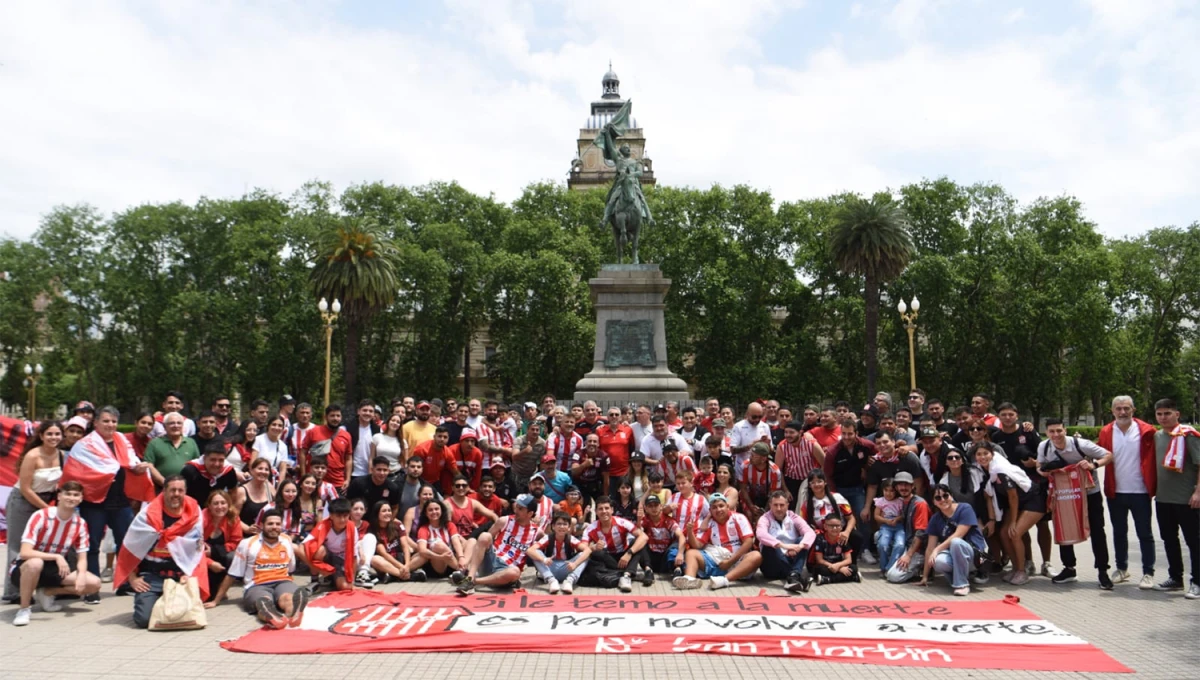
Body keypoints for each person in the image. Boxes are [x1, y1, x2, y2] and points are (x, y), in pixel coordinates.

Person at [61, 405, 155, 602]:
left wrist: (138, 468)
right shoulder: (84, 445)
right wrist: (101, 475)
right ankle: (91, 587)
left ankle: (125, 583)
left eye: (113, 421)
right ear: (95, 423)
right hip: (93, 502)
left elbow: (129, 463)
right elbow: (75, 474)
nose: (110, 425)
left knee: (128, 543)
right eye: (105, 421)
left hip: (120, 501)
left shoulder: (121, 439)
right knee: (92, 545)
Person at [114, 477, 207, 629]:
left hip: (180, 576)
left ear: (185, 492)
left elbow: (196, 552)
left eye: (180, 490)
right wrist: (133, 578)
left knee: (187, 616)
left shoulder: (194, 514)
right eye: (172, 490)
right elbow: (129, 549)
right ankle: (156, 600)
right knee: (143, 620)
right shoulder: (146, 516)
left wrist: (189, 574)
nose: (176, 494)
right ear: (164, 491)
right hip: (152, 576)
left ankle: (165, 600)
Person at [9, 481, 101, 627]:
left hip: (56, 569)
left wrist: (82, 576)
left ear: (81, 498)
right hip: (24, 567)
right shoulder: (41, 516)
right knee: (35, 563)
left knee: (94, 584)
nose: (72, 498)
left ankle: (48, 592)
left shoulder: (80, 523)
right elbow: (25, 552)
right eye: (68, 494)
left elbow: (82, 557)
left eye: (76, 495)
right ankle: (24, 609)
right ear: (59, 496)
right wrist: (57, 556)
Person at [1036, 419, 1113, 589]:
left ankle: (1102, 571)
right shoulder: (1044, 447)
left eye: (1059, 431)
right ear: (1046, 432)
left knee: (1097, 530)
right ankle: (1069, 568)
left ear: (1065, 430)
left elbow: (1108, 455)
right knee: (1064, 528)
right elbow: (1039, 466)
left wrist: (1093, 464)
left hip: (1088, 493)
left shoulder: (1081, 444)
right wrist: (1043, 470)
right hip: (1064, 494)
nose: (1055, 435)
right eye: (1051, 431)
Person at [1099, 395, 1159, 589]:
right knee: (1119, 532)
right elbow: (1097, 454)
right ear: (1112, 411)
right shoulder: (1106, 431)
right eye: (1118, 409)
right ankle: (1122, 568)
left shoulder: (1147, 431)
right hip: (1116, 491)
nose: (1122, 412)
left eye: (1126, 408)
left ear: (1133, 409)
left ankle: (1148, 573)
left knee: (1145, 533)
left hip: (1140, 491)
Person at [210, 509, 308, 628]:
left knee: (288, 598)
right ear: (261, 525)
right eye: (270, 524)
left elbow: (291, 569)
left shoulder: (286, 540)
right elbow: (232, 574)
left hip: (283, 580)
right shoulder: (247, 543)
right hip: (256, 585)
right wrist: (216, 600)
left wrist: (289, 585)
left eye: (277, 524)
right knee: (264, 601)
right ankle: (272, 616)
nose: (274, 527)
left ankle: (293, 614)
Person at [4, 421, 64, 603]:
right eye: (49, 434)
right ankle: (14, 592)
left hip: (46, 500)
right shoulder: (32, 455)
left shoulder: (61, 455)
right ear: (41, 436)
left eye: (57, 434)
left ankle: (43, 585)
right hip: (22, 502)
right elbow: (25, 489)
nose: (54, 438)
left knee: (42, 545)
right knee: (18, 547)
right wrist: (46, 510)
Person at [1151, 398, 1200, 597]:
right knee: (1169, 539)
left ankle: (1197, 581)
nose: (1163, 417)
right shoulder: (1157, 436)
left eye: (1167, 413)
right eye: (1159, 414)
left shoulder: (1189, 436)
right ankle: (1175, 578)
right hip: (1163, 499)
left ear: (1177, 414)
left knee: (1194, 542)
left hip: (1187, 499)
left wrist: (1198, 492)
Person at [450, 493, 540, 595]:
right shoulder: (504, 520)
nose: (516, 510)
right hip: (491, 560)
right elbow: (484, 542)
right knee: (484, 536)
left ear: (530, 513)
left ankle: (473, 581)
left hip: (506, 570)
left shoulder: (536, 531)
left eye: (521, 509)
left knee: (515, 572)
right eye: (517, 507)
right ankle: (470, 577)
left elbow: (550, 539)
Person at [976, 441, 1039, 585]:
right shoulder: (985, 472)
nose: (982, 457)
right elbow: (989, 497)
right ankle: (1016, 569)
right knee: (1004, 533)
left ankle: (1022, 571)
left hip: (1033, 499)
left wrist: (1013, 521)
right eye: (979, 454)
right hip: (1018, 503)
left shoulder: (1000, 470)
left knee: (1014, 532)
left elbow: (1013, 496)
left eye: (986, 453)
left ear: (992, 454)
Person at [673, 493, 762, 590]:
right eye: (714, 507)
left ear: (727, 506)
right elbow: (697, 546)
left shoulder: (739, 518)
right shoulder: (708, 523)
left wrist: (730, 562)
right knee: (691, 553)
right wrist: (690, 532)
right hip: (718, 559)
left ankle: (724, 580)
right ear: (710, 511)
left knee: (756, 556)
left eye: (721, 506)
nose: (718, 510)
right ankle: (689, 579)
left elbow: (748, 542)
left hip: (737, 559)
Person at [917, 483, 990, 596]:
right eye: (938, 498)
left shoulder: (965, 508)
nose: (943, 500)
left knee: (956, 542)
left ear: (951, 496)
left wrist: (937, 550)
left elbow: (958, 535)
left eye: (945, 495)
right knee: (937, 561)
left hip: (974, 556)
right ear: (934, 502)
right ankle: (957, 578)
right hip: (953, 554)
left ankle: (961, 584)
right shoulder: (935, 519)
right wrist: (925, 577)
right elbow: (930, 548)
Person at [581, 495, 649, 592]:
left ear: (612, 510)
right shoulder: (590, 528)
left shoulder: (622, 522)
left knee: (637, 543)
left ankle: (626, 576)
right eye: (600, 509)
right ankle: (628, 573)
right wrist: (593, 547)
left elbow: (644, 536)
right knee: (596, 553)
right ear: (595, 512)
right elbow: (582, 547)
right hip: (607, 558)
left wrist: (628, 553)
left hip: (624, 556)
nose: (604, 511)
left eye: (607, 508)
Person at [755, 490, 815, 592]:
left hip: (790, 557)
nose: (779, 508)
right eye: (775, 505)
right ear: (770, 505)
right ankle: (795, 575)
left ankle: (793, 576)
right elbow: (761, 534)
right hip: (771, 566)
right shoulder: (765, 518)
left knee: (803, 540)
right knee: (769, 545)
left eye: (782, 505)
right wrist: (784, 546)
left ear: (787, 505)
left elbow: (810, 532)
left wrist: (799, 546)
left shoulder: (793, 517)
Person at [301, 498, 359, 591]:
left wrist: (352, 581)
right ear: (331, 516)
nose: (343, 519)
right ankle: (315, 581)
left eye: (345, 516)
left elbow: (354, 557)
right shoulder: (322, 525)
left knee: (345, 587)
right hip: (327, 558)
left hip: (342, 561)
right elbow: (303, 546)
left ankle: (332, 577)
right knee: (318, 550)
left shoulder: (352, 528)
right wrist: (316, 567)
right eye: (339, 516)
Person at [527, 512, 592, 593]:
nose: (562, 527)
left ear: (569, 527)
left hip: (567, 568)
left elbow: (588, 550)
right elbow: (530, 550)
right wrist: (544, 559)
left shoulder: (570, 538)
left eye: (565, 524)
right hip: (550, 567)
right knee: (535, 553)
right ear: (553, 526)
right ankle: (551, 581)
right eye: (559, 524)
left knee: (585, 555)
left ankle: (569, 581)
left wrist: (575, 564)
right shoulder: (547, 538)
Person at [883, 472, 930, 583]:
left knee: (893, 576)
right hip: (906, 543)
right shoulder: (902, 502)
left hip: (919, 549)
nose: (903, 488)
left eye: (907, 484)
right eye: (900, 484)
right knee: (879, 536)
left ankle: (921, 567)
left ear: (912, 486)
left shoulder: (920, 504)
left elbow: (921, 532)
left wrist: (908, 555)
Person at [823, 419, 874, 520]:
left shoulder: (866, 445)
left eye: (850, 434)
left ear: (856, 433)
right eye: (844, 434)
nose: (846, 437)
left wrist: (867, 466)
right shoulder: (832, 451)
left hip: (858, 489)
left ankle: (866, 536)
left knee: (863, 517)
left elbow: (879, 454)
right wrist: (833, 494)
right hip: (839, 489)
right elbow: (827, 475)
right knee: (840, 519)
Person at [365, 501, 421, 583]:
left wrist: (407, 566)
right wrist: (401, 567)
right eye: (384, 511)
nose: (387, 513)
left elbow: (405, 546)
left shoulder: (397, 525)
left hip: (400, 558)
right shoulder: (372, 529)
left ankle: (395, 575)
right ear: (377, 514)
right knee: (374, 559)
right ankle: (405, 576)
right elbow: (383, 553)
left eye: (389, 510)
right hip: (386, 561)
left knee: (423, 554)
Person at [201, 490, 241, 599]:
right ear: (209, 505)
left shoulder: (233, 518)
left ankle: (222, 586)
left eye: (223, 503)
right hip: (201, 560)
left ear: (228, 504)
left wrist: (214, 552)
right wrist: (209, 563)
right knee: (207, 597)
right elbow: (192, 550)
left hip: (221, 557)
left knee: (233, 557)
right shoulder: (201, 519)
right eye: (215, 503)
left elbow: (236, 542)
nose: (220, 507)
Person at [414, 497, 466, 578]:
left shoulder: (449, 525)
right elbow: (422, 550)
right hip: (436, 566)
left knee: (472, 541)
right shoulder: (424, 529)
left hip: (451, 563)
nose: (434, 512)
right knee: (439, 546)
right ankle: (461, 571)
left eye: (436, 509)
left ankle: (462, 569)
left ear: (441, 510)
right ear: (426, 513)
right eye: (430, 510)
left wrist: (461, 557)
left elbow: (456, 542)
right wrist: (440, 557)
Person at [308, 404, 353, 494]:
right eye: (332, 415)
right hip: (315, 481)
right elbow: (303, 452)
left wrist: (347, 479)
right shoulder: (314, 431)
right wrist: (304, 474)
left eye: (338, 416)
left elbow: (348, 459)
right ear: (326, 417)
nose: (335, 418)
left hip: (338, 482)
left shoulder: (346, 435)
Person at [639, 494, 683, 583]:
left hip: (665, 558)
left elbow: (681, 536)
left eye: (656, 505)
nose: (653, 508)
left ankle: (677, 571)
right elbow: (637, 533)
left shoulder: (669, 520)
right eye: (650, 506)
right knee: (639, 541)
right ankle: (648, 571)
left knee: (676, 544)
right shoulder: (644, 520)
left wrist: (680, 554)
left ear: (661, 506)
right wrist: (638, 520)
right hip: (651, 558)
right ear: (646, 509)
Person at [776, 421, 823, 501]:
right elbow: (778, 470)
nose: (788, 435)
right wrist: (785, 490)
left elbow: (824, 463)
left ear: (800, 432)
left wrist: (817, 481)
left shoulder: (811, 444)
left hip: (809, 479)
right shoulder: (782, 446)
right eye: (786, 432)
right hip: (791, 481)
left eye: (791, 432)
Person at [738, 442, 783, 523]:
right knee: (749, 515)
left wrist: (764, 512)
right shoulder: (745, 466)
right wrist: (751, 506)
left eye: (753, 456)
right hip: (749, 497)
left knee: (764, 519)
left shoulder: (775, 471)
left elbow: (773, 495)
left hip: (766, 499)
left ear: (763, 459)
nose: (750, 458)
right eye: (750, 454)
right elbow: (743, 489)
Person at [409, 426, 458, 495]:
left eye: (445, 437)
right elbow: (414, 468)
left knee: (440, 502)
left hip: (435, 482)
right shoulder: (422, 449)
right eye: (439, 436)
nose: (442, 439)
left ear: (448, 439)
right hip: (419, 480)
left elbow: (455, 471)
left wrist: (464, 484)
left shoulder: (447, 452)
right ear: (434, 436)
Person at [811, 516, 859, 585]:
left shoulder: (843, 538)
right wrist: (837, 568)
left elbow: (848, 560)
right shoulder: (820, 538)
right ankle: (852, 578)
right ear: (825, 526)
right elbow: (819, 560)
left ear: (841, 527)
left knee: (853, 568)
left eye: (837, 526)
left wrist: (838, 566)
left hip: (839, 564)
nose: (834, 528)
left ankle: (828, 579)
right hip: (827, 565)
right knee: (819, 569)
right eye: (831, 526)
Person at [873, 478, 907, 572]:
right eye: (886, 490)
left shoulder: (900, 501)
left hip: (898, 526)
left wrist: (897, 519)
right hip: (885, 526)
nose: (888, 493)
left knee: (899, 545)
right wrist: (885, 521)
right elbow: (876, 516)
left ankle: (890, 567)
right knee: (882, 544)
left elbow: (903, 514)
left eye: (891, 491)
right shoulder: (880, 501)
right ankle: (883, 567)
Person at [235, 458, 275, 536]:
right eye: (260, 468)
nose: (263, 471)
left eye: (266, 469)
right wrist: (247, 529)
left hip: (267, 535)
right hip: (246, 536)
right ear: (252, 471)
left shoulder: (269, 486)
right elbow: (233, 516)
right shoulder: (241, 491)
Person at [729, 403, 772, 472]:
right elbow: (733, 450)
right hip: (742, 467)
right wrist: (751, 445)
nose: (757, 419)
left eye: (760, 417)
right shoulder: (739, 426)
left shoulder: (765, 426)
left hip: (760, 468)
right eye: (754, 417)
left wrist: (768, 445)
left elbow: (771, 451)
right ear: (747, 414)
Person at [346, 400, 380, 484]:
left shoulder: (378, 430)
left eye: (371, 411)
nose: (367, 413)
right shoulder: (347, 428)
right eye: (364, 410)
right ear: (358, 411)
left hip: (370, 473)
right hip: (353, 473)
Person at [570, 432, 610, 503]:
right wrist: (584, 465)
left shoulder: (604, 456)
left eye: (594, 441)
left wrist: (605, 497)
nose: (592, 443)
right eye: (589, 441)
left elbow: (606, 479)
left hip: (596, 484)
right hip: (581, 484)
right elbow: (573, 472)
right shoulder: (578, 453)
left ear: (598, 444)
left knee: (601, 504)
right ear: (585, 443)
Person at [251, 415, 290, 482]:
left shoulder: (283, 446)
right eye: (274, 424)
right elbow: (252, 463)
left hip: (272, 480)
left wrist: (279, 488)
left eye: (280, 425)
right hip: (257, 478)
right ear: (268, 426)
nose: (276, 427)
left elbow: (282, 470)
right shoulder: (258, 440)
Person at [513, 419, 546, 493]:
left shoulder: (542, 443)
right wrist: (525, 451)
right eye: (532, 429)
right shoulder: (519, 440)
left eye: (537, 430)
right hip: (516, 473)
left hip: (531, 474)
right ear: (527, 430)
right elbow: (514, 457)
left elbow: (542, 462)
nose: (535, 432)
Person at [288, 403, 316, 475]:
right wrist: (291, 464)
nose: (305, 415)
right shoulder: (289, 430)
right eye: (302, 413)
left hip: (312, 472)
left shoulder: (317, 430)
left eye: (307, 413)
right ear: (297, 414)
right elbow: (283, 450)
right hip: (293, 472)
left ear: (311, 415)